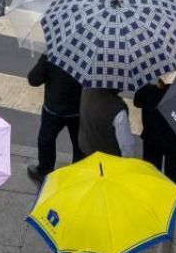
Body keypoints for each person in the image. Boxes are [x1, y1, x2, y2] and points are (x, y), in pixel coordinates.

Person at [26, 53, 83, 184]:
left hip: (53, 109)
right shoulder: (89, 57)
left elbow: (33, 79)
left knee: (46, 139)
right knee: (79, 144)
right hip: (77, 109)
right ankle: (79, 173)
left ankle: (44, 171)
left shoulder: (53, 54)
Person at [134, 80, 176, 184]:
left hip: (152, 140)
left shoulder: (148, 91)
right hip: (175, 142)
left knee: (151, 177)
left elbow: (137, 102)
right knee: (172, 179)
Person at [78, 87, 135, 157]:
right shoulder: (118, 109)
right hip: (109, 158)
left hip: (86, 149)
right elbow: (127, 146)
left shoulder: (86, 89)